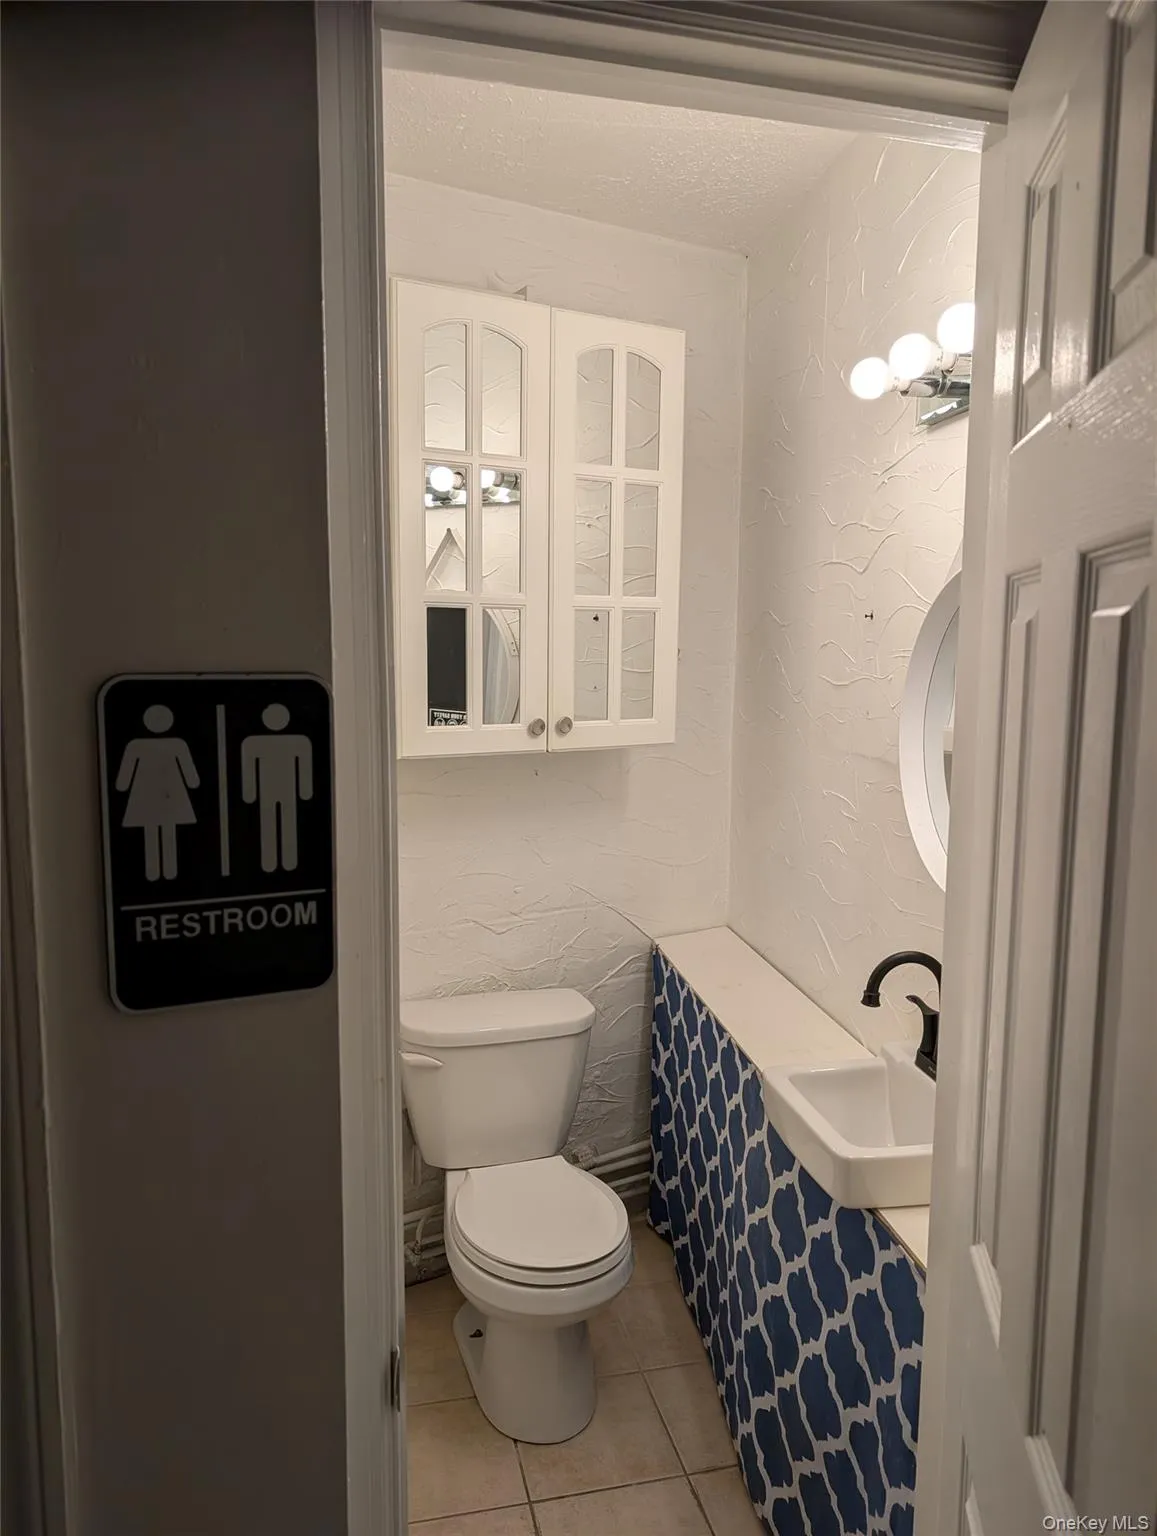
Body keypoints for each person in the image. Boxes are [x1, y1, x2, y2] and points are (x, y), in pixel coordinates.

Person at [116, 704, 200, 881]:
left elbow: (123, 779)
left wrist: (123, 786)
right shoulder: (176, 744)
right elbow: (191, 777)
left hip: (149, 795)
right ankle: (166, 872)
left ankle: (157, 873)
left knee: (154, 831)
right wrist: (192, 783)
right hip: (167, 795)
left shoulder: (137, 745)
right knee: (164, 829)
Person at [241, 703, 313, 873]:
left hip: (284, 790)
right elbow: (249, 769)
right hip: (270, 791)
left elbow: (304, 768)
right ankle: (270, 862)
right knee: (269, 823)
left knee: (285, 823)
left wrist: (305, 791)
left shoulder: (299, 741)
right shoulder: (253, 743)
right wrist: (249, 793)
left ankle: (286, 862)